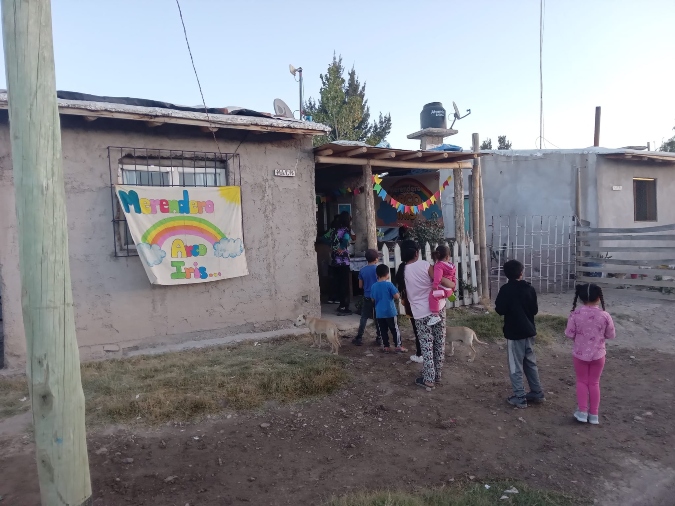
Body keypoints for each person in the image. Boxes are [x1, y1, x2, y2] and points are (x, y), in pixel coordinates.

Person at [397, 240, 455, 388]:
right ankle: (437, 375)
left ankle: (429, 379)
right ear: (416, 253)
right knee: (439, 342)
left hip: (420, 313)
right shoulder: (424, 265)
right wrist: (452, 285)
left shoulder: (402, 271)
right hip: (438, 308)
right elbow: (439, 280)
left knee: (426, 346)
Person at [495, 259, 545, 409]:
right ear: (521, 273)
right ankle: (537, 392)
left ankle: (520, 397)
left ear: (506, 274)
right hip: (529, 331)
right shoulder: (529, 289)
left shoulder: (505, 289)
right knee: (530, 363)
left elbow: (500, 310)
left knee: (515, 365)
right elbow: (534, 311)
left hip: (514, 333)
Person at [565, 283, 616, 425]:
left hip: (579, 354)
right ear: (599, 297)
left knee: (582, 381)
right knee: (594, 383)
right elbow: (610, 335)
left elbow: (569, 334)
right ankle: (594, 414)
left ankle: (582, 412)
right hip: (598, 355)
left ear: (580, 298)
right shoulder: (605, 315)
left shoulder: (575, 314)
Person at [370, 264, 407, 353]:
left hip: (379, 312)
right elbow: (396, 296)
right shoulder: (389, 285)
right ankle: (398, 346)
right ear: (388, 274)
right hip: (390, 311)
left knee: (382, 330)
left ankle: (386, 346)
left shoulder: (373, 286)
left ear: (376, 275)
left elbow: (372, 299)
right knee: (394, 329)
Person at [351, 249, 382, 346]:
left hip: (367, 296)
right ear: (376, 259)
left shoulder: (362, 270)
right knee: (378, 317)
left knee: (364, 317)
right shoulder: (378, 269)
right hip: (378, 297)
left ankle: (359, 337)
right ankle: (379, 337)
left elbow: (360, 286)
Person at [427, 245, 457, 326]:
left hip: (442, 290)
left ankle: (435, 315)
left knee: (433, 296)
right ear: (448, 257)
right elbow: (453, 277)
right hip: (449, 290)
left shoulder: (439, 265)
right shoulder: (452, 266)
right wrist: (453, 288)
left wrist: (435, 285)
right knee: (443, 294)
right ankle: (451, 294)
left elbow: (438, 277)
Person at [332, 212, 353, 315]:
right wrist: (342, 248)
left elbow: (328, 240)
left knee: (339, 283)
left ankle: (341, 305)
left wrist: (336, 249)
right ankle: (345, 307)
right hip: (344, 261)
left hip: (335, 261)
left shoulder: (335, 230)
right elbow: (345, 240)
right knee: (345, 285)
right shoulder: (346, 230)